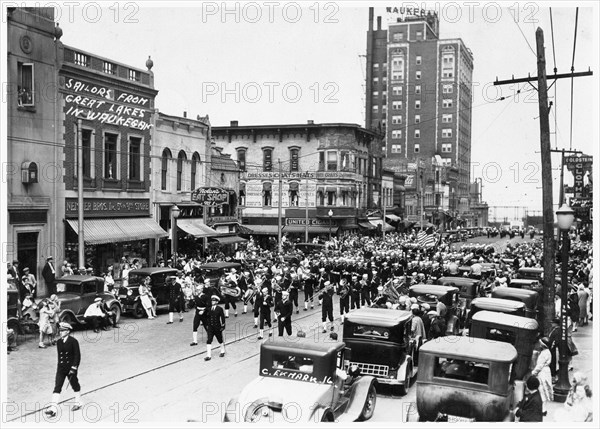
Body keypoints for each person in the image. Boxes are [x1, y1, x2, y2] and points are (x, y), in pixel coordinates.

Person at [44, 322, 82, 417]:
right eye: (60, 330)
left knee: (74, 384)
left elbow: (77, 356)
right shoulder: (59, 342)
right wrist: (59, 367)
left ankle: (78, 402)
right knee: (57, 386)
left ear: (68, 331)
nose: (60, 332)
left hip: (71, 368)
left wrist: (74, 367)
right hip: (61, 368)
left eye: (63, 331)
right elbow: (59, 356)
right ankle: (53, 409)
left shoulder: (73, 341)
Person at [531, 337, 553, 416]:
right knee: (544, 389)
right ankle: (543, 409)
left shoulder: (544, 353)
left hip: (542, 372)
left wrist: (533, 372)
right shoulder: (546, 352)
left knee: (541, 390)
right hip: (546, 371)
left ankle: (543, 409)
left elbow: (540, 365)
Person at [204, 295, 226, 361]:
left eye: (213, 301)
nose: (212, 302)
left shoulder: (219, 309)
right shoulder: (209, 308)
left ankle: (222, 351)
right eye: (212, 301)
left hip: (217, 327)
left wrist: (223, 326)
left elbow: (222, 317)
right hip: (210, 327)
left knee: (220, 339)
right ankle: (208, 355)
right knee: (209, 340)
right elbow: (207, 317)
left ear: (216, 302)